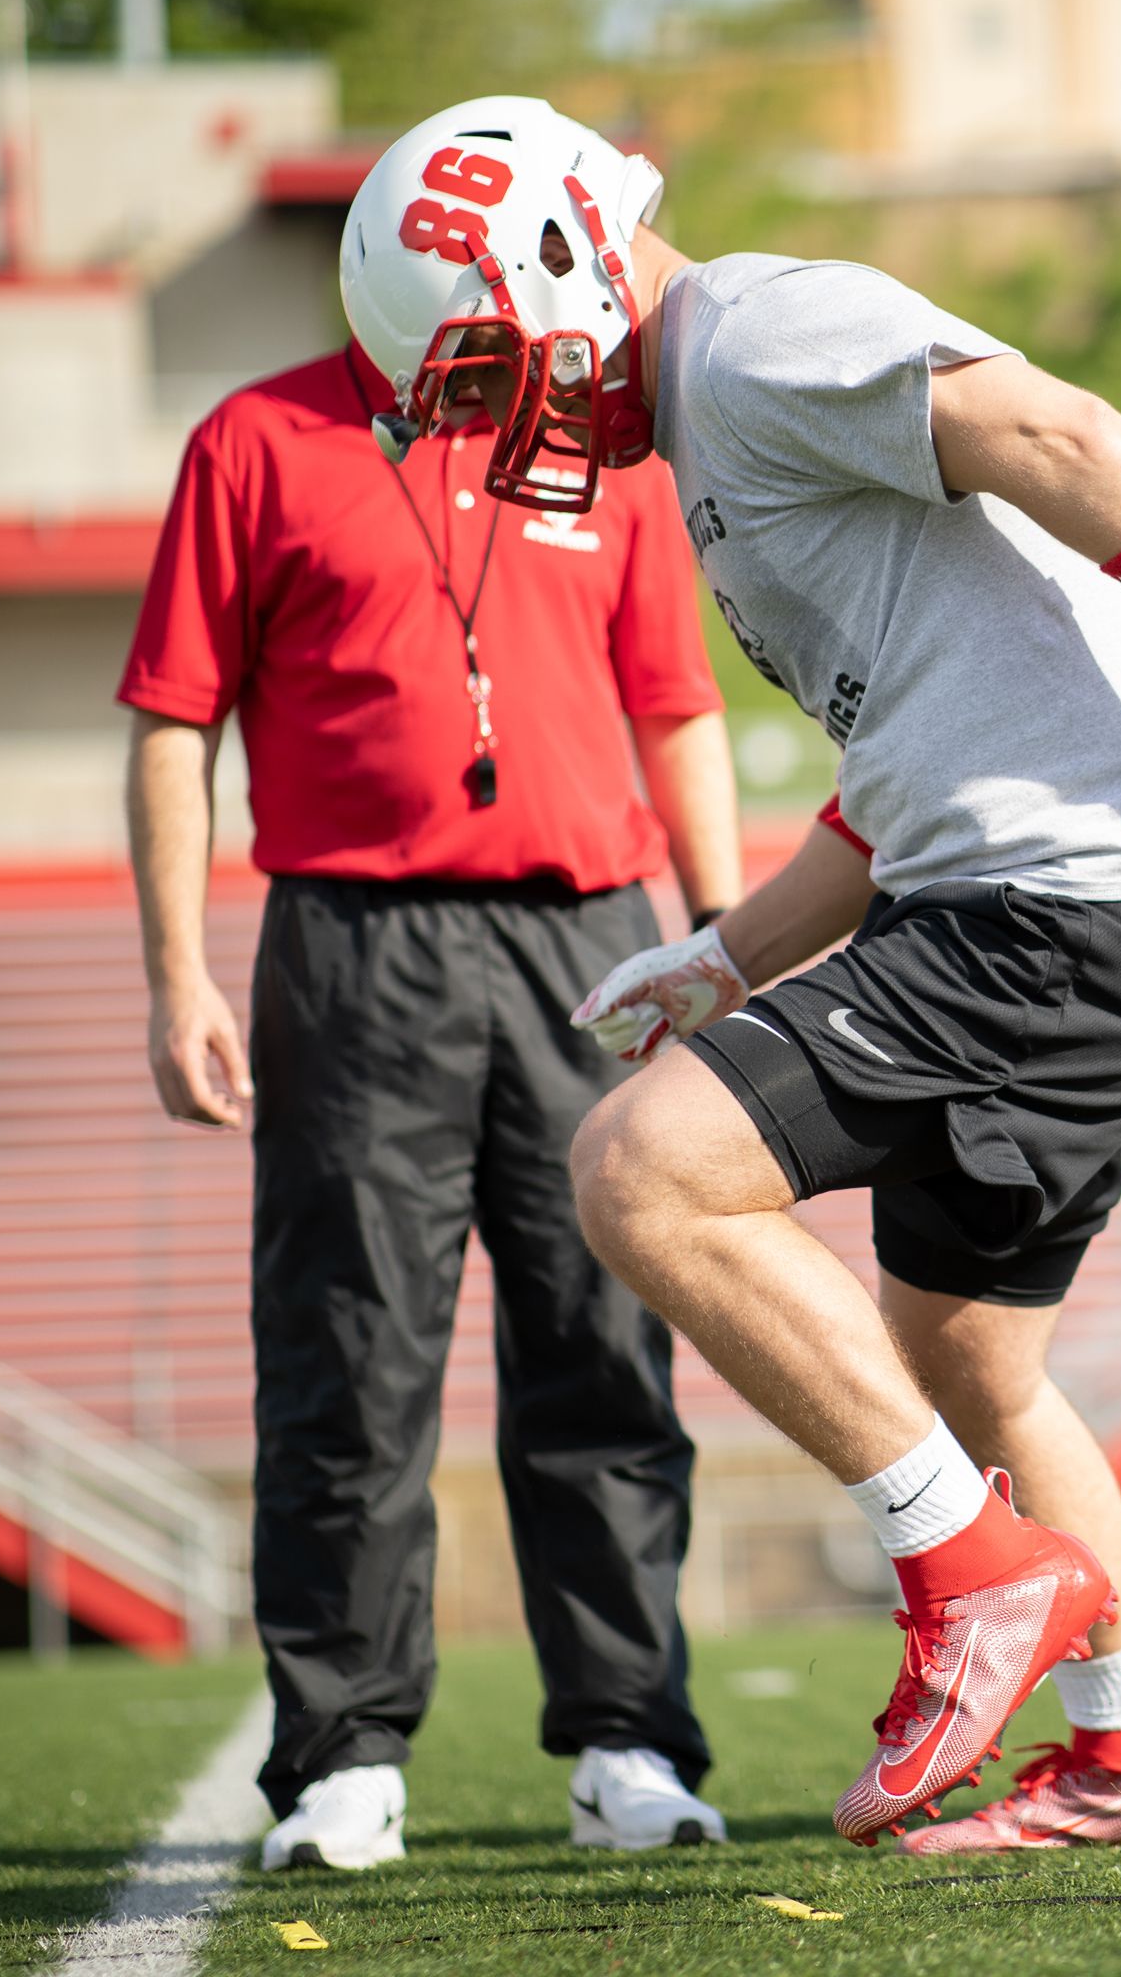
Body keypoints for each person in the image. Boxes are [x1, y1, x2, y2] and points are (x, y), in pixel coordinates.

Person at [339, 95, 1121, 1854]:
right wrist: (729, 954)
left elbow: (1057, 430)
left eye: (478, 376)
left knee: (638, 1171)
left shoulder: (755, 340)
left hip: (1055, 907)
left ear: (556, 256)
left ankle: (968, 1571)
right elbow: (905, 754)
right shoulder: (718, 412)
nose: (489, 424)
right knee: (970, 1363)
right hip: (1076, 901)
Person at [119, 288, 741, 1867]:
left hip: (588, 944)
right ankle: (343, 1760)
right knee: (347, 1355)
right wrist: (178, 971)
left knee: (607, 1346)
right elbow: (175, 719)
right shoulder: (255, 439)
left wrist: (725, 935)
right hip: (352, 944)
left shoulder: (603, 444)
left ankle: (629, 1741)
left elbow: (676, 703)